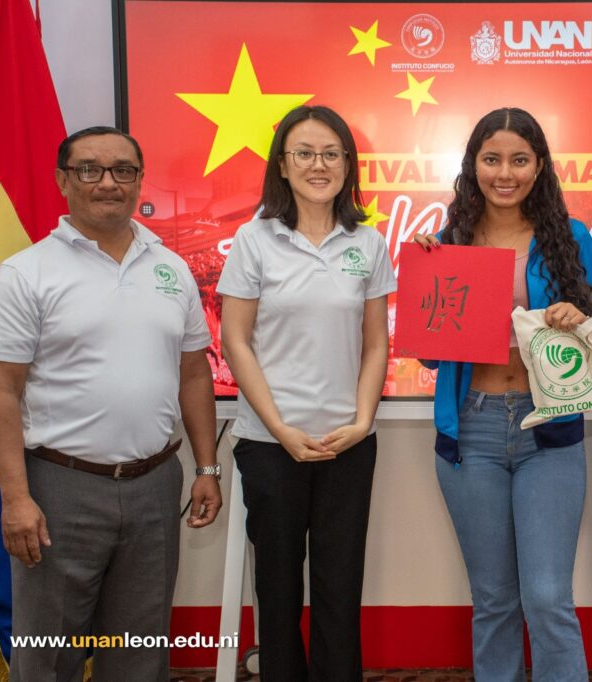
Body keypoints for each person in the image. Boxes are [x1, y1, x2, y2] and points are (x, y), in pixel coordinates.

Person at [0, 126, 222, 682]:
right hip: (59, 489)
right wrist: (16, 498)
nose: (107, 182)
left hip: (155, 486)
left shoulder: (172, 268)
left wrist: (206, 468)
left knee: (140, 653)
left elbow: (192, 374)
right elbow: (0, 390)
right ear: (64, 180)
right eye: (89, 169)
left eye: (123, 170)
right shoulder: (27, 273)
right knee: (48, 656)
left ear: (139, 180)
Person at [414, 107, 592, 681]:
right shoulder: (448, 241)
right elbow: (428, 355)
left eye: (519, 160)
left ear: (539, 165)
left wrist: (580, 314)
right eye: (492, 159)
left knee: (548, 596)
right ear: (472, 165)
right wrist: (427, 281)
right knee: (494, 599)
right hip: (469, 431)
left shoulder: (570, 237)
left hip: (546, 429)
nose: (505, 172)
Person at [218, 105, 395, 681]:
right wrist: (280, 430)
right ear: (283, 165)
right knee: (277, 590)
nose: (319, 164)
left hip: (348, 441)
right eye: (304, 153)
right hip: (271, 444)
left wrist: (363, 420)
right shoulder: (253, 239)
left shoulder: (367, 243)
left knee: (340, 589)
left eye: (331, 153)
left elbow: (375, 344)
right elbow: (236, 341)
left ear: (348, 164)